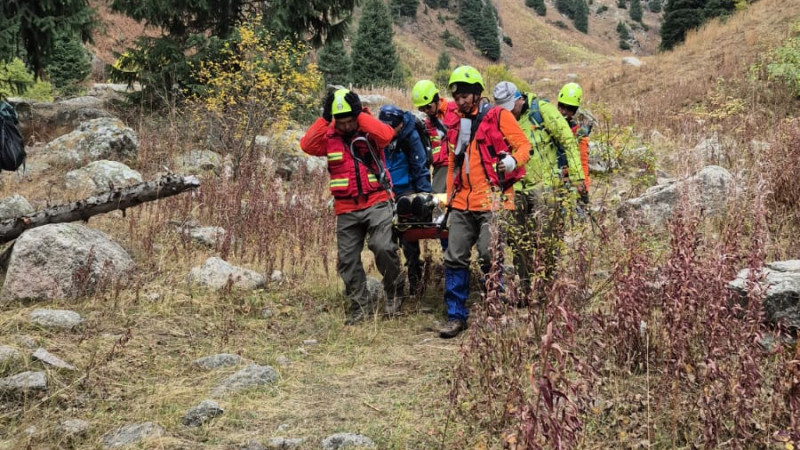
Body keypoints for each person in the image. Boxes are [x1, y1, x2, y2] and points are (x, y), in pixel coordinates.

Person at [438, 66, 531, 339]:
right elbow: (452, 162)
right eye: (457, 95)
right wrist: (449, 197)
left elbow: (523, 146)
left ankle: (493, 308)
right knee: (454, 257)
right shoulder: (456, 122)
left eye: (466, 95)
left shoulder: (499, 116)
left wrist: (512, 161)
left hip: (493, 198)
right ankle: (456, 316)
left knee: (489, 254)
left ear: (477, 93)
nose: (461, 100)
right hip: (462, 201)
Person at [299, 88, 404, 325]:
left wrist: (361, 114)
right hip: (346, 207)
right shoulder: (329, 135)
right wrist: (325, 118)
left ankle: (395, 292)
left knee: (382, 247)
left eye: (350, 121)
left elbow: (386, 135)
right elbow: (307, 145)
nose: (346, 126)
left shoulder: (368, 130)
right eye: (341, 122)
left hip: (376, 200)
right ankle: (361, 307)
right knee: (347, 259)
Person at [492, 81, 585, 299]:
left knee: (547, 237)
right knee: (518, 239)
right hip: (516, 187)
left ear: (519, 100)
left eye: (510, 108)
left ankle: (545, 289)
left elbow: (568, 140)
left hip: (547, 185)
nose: (508, 114)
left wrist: (577, 176)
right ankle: (525, 289)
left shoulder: (542, 110)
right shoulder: (501, 119)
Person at [378, 104, 433, 300]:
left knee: (409, 235)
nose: (388, 133)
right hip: (385, 190)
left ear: (400, 125)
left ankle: (415, 276)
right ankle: (394, 282)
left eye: (391, 129)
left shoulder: (410, 136)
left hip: (406, 189)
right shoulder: (379, 136)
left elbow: (420, 167)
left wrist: (424, 196)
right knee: (387, 237)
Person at [411, 80, 452, 194]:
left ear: (436, 99)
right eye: (422, 109)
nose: (426, 111)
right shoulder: (427, 123)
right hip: (439, 168)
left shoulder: (454, 112)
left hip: (455, 165)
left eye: (428, 107)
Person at [557, 82, 591, 197]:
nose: (564, 112)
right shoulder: (548, 123)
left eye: (569, 109)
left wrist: (584, 187)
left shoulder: (580, 132)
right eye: (561, 106)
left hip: (570, 179)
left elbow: (583, 161)